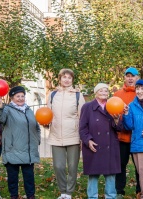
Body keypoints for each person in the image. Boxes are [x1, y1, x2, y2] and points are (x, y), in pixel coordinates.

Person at [0, 86, 40, 199]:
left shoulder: (29, 110)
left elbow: (36, 127)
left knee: (29, 177)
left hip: (28, 150)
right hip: (13, 149)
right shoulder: (7, 109)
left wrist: (37, 139)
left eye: (22, 96)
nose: (20, 98)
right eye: (17, 96)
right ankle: (13, 196)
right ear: (12, 98)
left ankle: (31, 196)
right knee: (13, 177)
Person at [47, 68, 85, 199]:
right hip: (56, 135)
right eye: (64, 77)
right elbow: (47, 115)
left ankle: (69, 192)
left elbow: (83, 117)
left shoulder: (78, 95)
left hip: (73, 135)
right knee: (58, 166)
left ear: (72, 80)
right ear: (60, 79)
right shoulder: (52, 95)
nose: (67, 80)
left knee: (73, 166)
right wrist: (45, 123)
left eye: (69, 78)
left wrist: (82, 137)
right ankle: (62, 190)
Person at [79, 83, 121, 199]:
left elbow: (119, 128)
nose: (104, 93)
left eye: (106, 91)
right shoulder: (87, 107)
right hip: (94, 145)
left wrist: (117, 119)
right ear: (95, 92)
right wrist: (88, 141)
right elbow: (82, 128)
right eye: (101, 91)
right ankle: (92, 197)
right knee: (93, 174)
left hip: (110, 145)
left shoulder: (113, 105)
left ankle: (111, 196)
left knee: (111, 174)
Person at [113, 67, 141, 199]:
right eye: (128, 76)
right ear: (124, 78)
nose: (130, 78)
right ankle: (119, 191)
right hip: (122, 137)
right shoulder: (117, 95)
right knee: (120, 165)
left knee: (140, 167)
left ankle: (140, 191)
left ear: (137, 78)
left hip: (138, 137)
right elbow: (111, 112)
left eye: (133, 76)